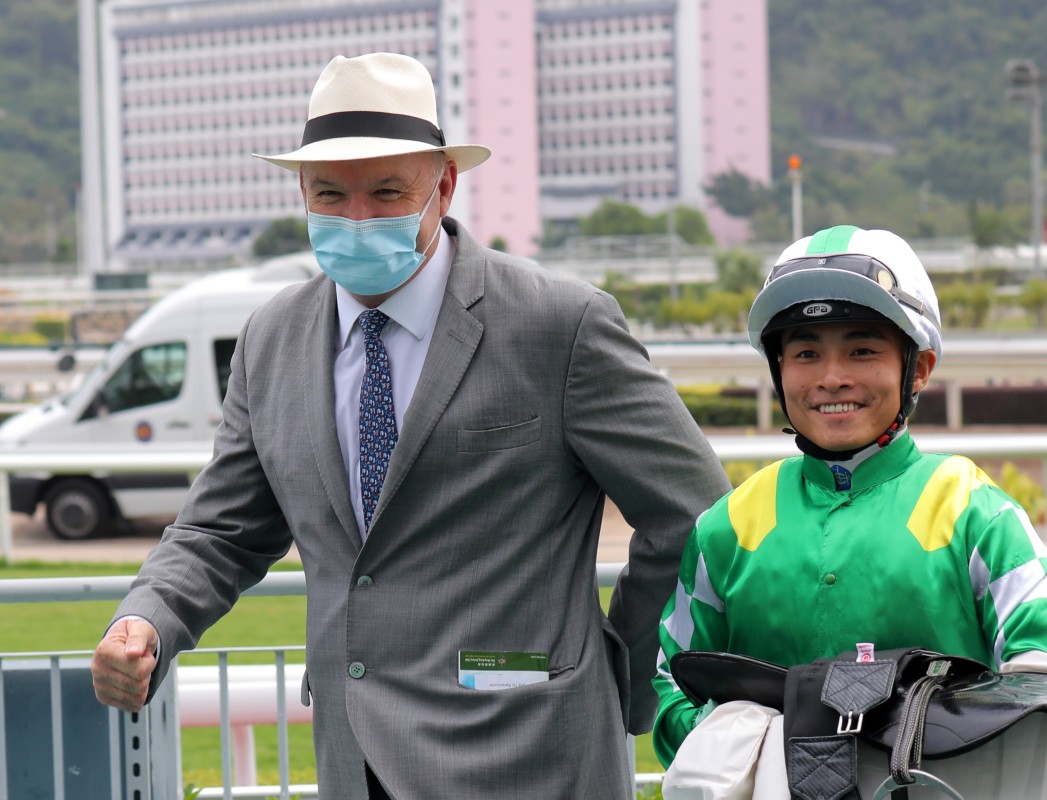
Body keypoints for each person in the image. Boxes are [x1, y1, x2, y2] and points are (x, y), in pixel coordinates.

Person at [90, 52, 731, 799]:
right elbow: (220, 531)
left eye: (388, 193)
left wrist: (620, 668)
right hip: (353, 761)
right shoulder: (271, 340)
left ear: (443, 184)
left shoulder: (560, 325)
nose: (357, 218)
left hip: (533, 757)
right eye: (331, 195)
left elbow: (694, 514)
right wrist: (147, 621)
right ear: (302, 191)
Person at [651, 225, 1047, 774]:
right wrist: (752, 739)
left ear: (920, 369)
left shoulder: (975, 511)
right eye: (806, 353)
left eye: (862, 350)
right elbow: (670, 687)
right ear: (778, 370)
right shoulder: (727, 526)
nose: (833, 378)